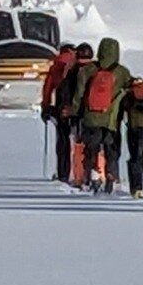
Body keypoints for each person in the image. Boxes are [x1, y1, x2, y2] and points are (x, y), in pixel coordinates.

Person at [72, 37, 133, 193]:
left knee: (91, 150)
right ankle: (111, 175)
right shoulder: (122, 72)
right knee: (111, 151)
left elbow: (79, 95)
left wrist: (75, 111)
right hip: (112, 120)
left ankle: (92, 176)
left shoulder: (87, 70)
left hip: (91, 118)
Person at [58, 43, 93, 188]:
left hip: (77, 114)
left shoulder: (72, 71)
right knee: (96, 145)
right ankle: (99, 174)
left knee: (78, 145)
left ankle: (80, 176)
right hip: (96, 112)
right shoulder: (96, 69)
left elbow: (65, 91)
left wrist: (66, 109)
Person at [41, 43, 77, 183]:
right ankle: (81, 175)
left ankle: (63, 173)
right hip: (78, 107)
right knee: (80, 141)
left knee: (62, 140)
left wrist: (46, 106)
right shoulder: (78, 63)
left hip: (61, 106)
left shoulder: (56, 64)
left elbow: (48, 88)